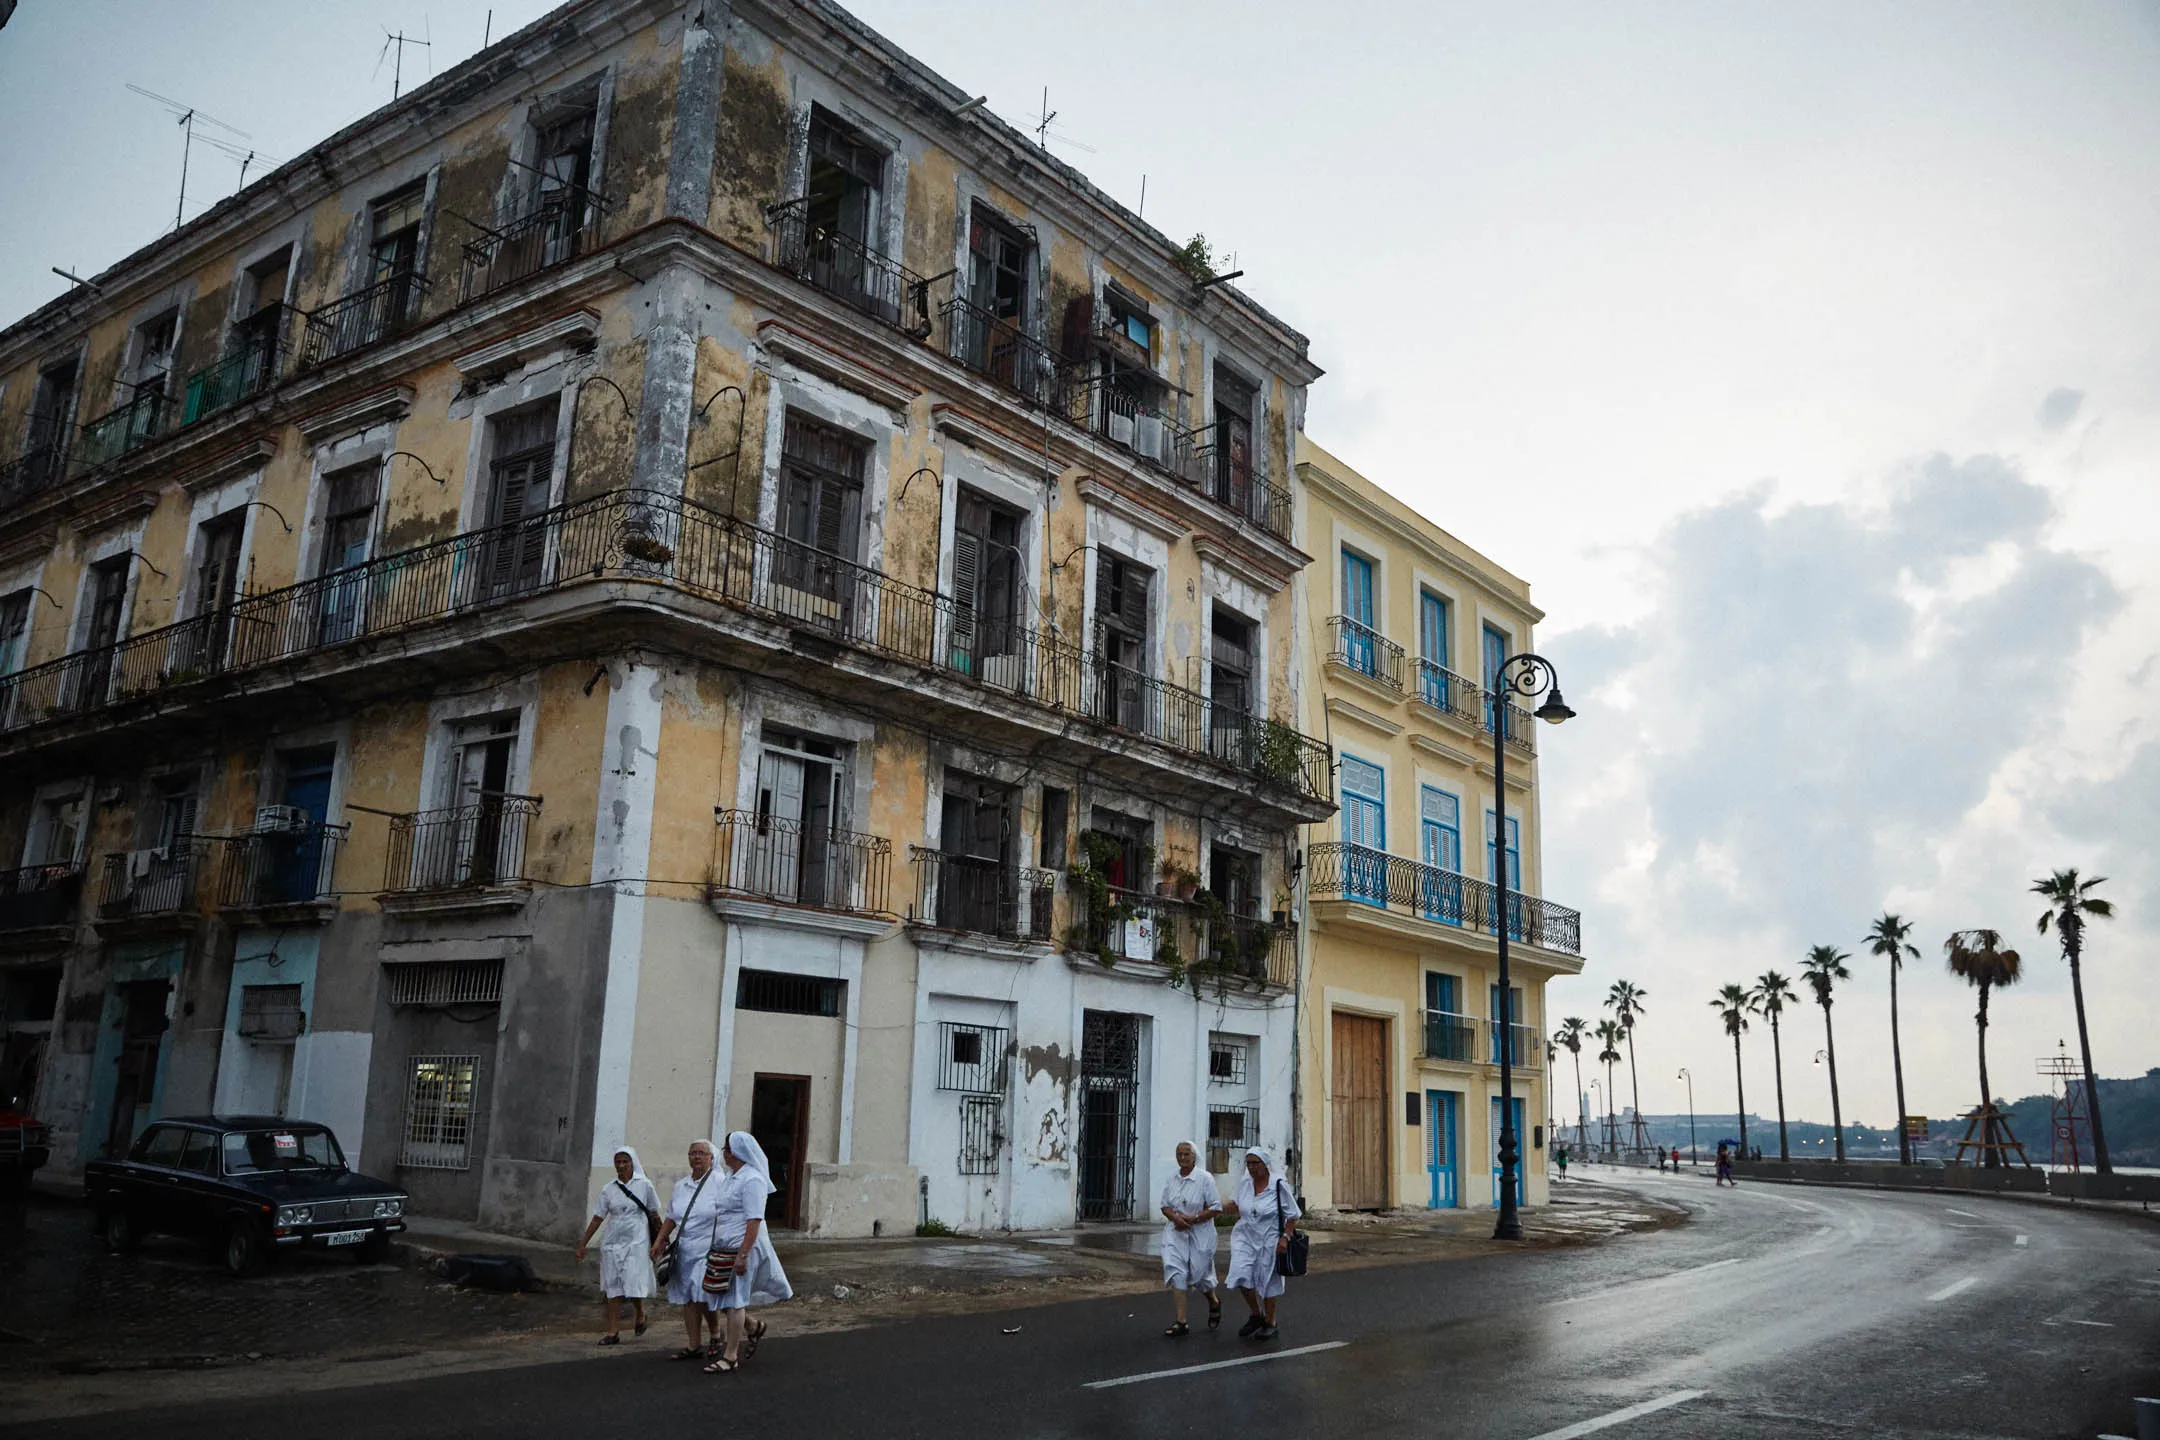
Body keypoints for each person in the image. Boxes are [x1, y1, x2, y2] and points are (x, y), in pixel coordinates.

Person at [702, 1131, 794, 1375]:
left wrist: (743, 1255)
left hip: (743, 1246)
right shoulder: (732, 1177)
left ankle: (730, 1355)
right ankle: (753, 1326)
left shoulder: (752, 1180)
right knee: (719, 1295)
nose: (724, 1152)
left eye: (727, 1148)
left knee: (735, 1299)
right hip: (724, 1246)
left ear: (736, 1152)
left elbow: (753, 1221)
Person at [574, 1145, 658, 1345]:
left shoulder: (644, 1185)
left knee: (632, 1282)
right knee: (613, 1286)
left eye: (625, 1161)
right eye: (618, 1162)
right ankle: (613, 1331)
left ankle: (640, 1313)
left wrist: (660, 1241)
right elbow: (597, 1218)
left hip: (636, 1240)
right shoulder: (609, 1189)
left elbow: (654, 1214)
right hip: (613, 1240)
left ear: (632, 1163)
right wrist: (583, 1244)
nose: (621, 1166)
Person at [651, 1139, 724, 1360]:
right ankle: (694, 1345)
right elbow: (672, 1216)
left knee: (703, 1294)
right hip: (685, 1248)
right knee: (688, 1298)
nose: (696, 1157)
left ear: (712, 1158)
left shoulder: (721, 1182)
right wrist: (659, 1240)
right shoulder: (681, 1186)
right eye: (693, 1153)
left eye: (702, 1153)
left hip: (709, 1248)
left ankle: (716, 1333)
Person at [1219, 1146, 1299, 1342]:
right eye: (1249, 1163)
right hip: (1245, 1237)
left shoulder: (1278, 1185)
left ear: (1265, 1165)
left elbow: (1294, 1215)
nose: (1252, 1168)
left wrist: (1285, 1237)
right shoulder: (1245, 1183)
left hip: (1269, 1239)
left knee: (1268, 1280)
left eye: (1256, 1163)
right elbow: (1235, 1205)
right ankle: (1256, 1314)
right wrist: (1213, 1207)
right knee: (1241, 1275)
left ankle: (1270, 1322)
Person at [1158, 1140, 1221, 1337]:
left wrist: (1193, 1219)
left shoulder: (1205, 1179)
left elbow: (1215, 1207)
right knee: (1177, 1271)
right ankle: (1181, 1321)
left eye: (1186, 1154)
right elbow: (1165, 1206)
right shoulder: (1172, 1179)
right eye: (1179, 1154)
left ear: (1194, 1156)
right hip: (1175, 1232)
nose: (1182, 1158)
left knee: (1199, 1274)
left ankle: (1213, 1301)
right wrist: (1176, 1218)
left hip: (1200, 1233)